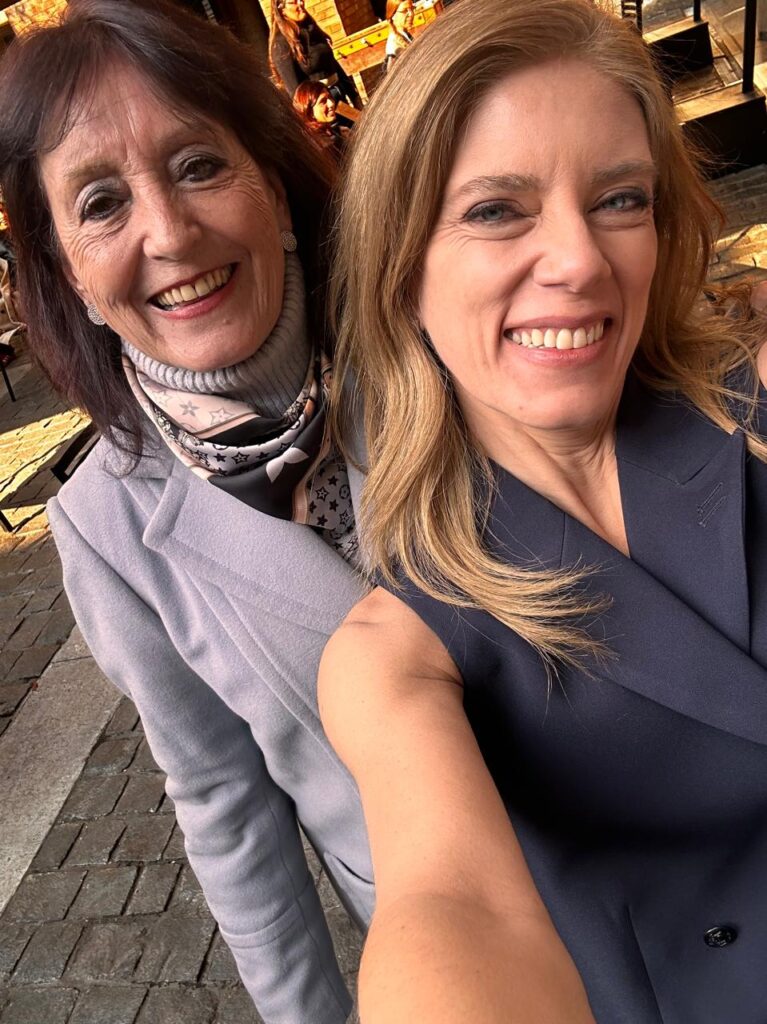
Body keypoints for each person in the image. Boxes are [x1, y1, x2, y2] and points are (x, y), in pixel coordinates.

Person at [321, 1, 767, 1021]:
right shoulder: (399, 647)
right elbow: (452, 905)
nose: (578, 258)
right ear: (401, 268)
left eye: (618, 199)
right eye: (495, 210)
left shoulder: (749, 405)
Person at [0, 2, 373, 1022]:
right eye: (101, 203)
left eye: (199, 165)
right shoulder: (106, 529)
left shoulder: (436, 340)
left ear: (274, 186)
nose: (168, 234)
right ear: (67, 271)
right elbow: (223, 803)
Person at [269, 0, 362, 111]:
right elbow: (295, 93)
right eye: (293, 2)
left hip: (339, 98)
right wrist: (312, 117)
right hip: (320, 109)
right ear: (281, 10)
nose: (300, 3)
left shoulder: (312, 29)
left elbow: (332, 64)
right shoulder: (281, 44)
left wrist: (354, 96)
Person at [293, 81, 351, 161]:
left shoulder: (328, 132)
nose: (331, 104)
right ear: (310, 112)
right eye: (323, 101)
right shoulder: (326, 147)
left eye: (330, 97)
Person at [382, 0, 413, 73]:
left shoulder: (405, 34)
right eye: (405, 11)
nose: (411, 14)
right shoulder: (394, 48)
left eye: (412, 9)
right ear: (393, 16)